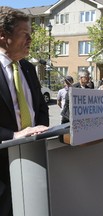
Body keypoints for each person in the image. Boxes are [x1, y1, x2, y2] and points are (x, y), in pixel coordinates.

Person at [0, 7, 49, 215]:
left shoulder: (28, 68)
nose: (30, 40)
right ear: (3, 35)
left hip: (33, 160)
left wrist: (44, 131)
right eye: (25, 35)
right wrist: (13, 135)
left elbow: (40, 107)